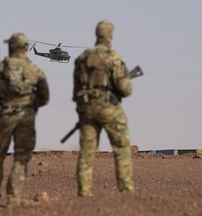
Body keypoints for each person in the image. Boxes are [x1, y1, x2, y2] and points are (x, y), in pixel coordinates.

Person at [0, 33, 50, 206]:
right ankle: (13, 198)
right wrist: (31, 107)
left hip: (4, 116)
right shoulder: (34, 69)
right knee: (21, 158)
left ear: (11, 47)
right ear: (25, 48)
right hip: (26, 117)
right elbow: (45, 96)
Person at [73, 20, 135, 196]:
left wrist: (82, 109)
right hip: (110, 108)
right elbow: (125, 89)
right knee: (121, 147)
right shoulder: (114, 57)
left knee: (87, 151)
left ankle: (84, 193)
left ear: (96, 34)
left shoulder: (82, 58)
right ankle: (126, 190)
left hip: (87, 109)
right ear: (110, 35)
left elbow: (76, 89)